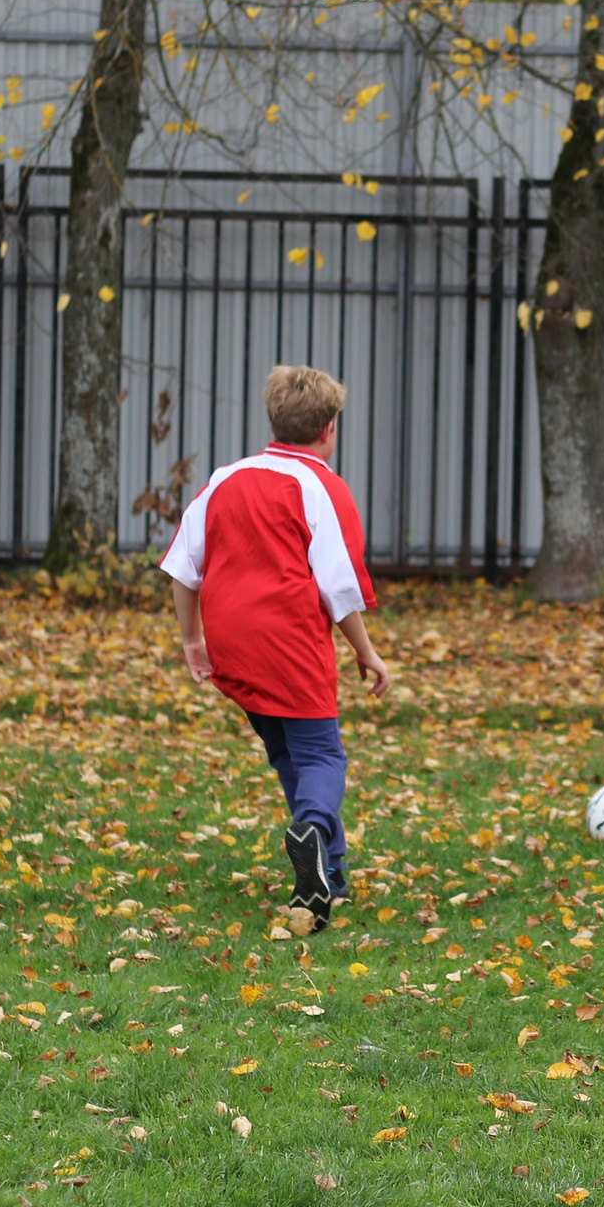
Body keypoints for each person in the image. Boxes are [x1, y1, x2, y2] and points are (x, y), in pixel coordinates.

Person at [161, 365, 390, 934]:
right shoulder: (321, 486)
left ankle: (328, 874)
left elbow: (182, 568)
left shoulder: (224, 479)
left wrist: (193, 640)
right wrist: (366, 651)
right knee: (323, 757)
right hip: (289, 643)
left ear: (273, 418)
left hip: (233, 642)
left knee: (289, 753)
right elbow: (338, 585)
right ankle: (313, 830)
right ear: (330, 428)